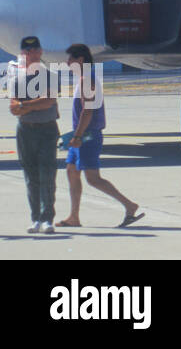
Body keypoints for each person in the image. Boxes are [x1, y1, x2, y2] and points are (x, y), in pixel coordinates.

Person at [56, 44, 142, 229]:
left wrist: (78, 136)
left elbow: (88, 112)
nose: (67, 62)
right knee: (72, 171)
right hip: (81, 134)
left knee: (93, 178)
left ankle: (129, 205)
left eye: (70, 59)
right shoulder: (83, 79)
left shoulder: (88, 80)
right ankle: (74, 217)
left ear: (80, 60)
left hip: (88, 135)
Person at [8, 36, 60, 233]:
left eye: (35, 49)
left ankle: (48, 219)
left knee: (47, 174)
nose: (31, 53)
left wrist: (24, 105)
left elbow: (48, 101)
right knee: (30, 176)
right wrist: (31, 105)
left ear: (40, 52)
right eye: (27, 51)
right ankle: (35, 218)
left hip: (46, 129)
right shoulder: (16, 79)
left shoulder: (50, 75)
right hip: (25, 130)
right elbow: (13, 109)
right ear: (23, 54)